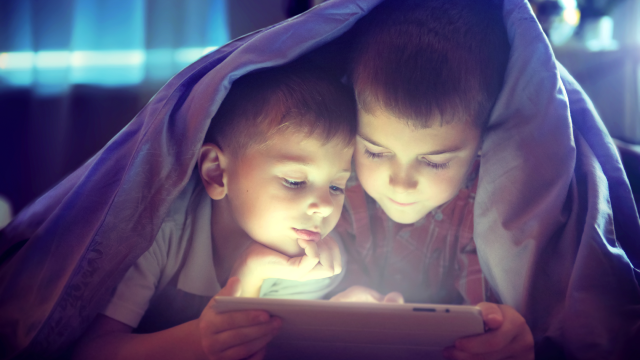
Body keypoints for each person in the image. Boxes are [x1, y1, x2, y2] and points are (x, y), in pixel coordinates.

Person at [1, 1, 638, 359]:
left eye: (335, 185)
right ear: (216, 172)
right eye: (373, 151)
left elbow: (319, 307)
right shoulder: (176, 224)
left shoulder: (323, 233)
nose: (400, 184)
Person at [328, 0, 640, 359]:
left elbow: (492, 314)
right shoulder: (337, 184)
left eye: (433, 162)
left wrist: (504, 336)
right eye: (376, 152)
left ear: (481, 143)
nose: (401, 183)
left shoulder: (492, 206)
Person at [67, 60, 356, 359]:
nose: (324, 207)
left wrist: (251, 273)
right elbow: (92, 352)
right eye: (295, 181)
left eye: (337, 187)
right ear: (217, 172)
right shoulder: (157, 230)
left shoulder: (315, 265)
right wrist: (198, 339)